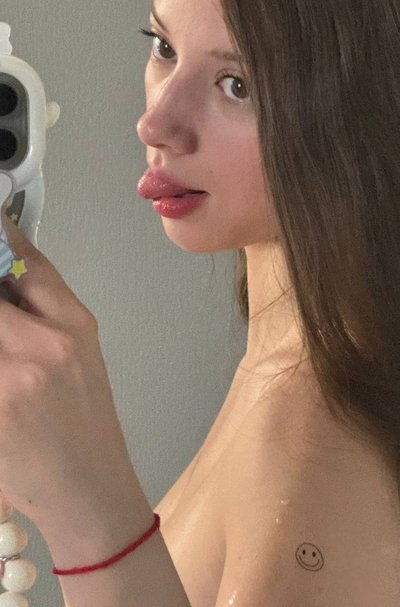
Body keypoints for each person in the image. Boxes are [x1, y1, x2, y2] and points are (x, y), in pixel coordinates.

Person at [0, 0, 399, 605]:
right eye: (164, 47)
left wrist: (88, 512)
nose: (154, 123)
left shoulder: (316, 466)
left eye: (238, 85)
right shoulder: (291, 371)